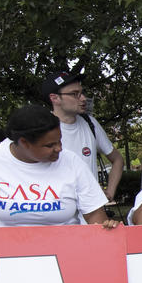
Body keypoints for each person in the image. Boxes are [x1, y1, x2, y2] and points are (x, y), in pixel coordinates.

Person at [0, 105, 117, 228]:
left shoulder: (72, 162)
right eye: (50, 145)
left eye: (60, 141)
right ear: (24, 143)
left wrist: (105, 229)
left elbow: (95, 217)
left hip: (65, 251)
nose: (59, 148)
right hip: (7, 255)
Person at [41, 72, 124, 203]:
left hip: (91, 216)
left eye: (82, 92)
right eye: (75, 94)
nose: (83, 98)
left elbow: (117, 159)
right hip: (57, 213)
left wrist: (110, 192)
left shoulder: (90, 123)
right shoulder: (40, 128)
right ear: (54, 98)